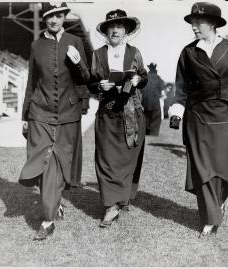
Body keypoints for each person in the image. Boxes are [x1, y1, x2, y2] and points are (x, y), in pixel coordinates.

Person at [168, 2, 228, 237]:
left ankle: (220, 200)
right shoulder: (188, 52)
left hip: (224, 118)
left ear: (212, 24)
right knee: (204, 170)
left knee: (220, 168)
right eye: (192, 22)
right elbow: (180, 86)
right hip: (197, 117)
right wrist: (176, 112)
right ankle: (211, 219)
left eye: (198, 22)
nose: (193, 27)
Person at [19, 2, 90, 240]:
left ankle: (51, 210)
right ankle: (49, 216)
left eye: (59, 16)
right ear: (45, 18)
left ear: (64, 18)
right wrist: (25, 116)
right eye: (50, 16)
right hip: (40, 112)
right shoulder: (36, 45)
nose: (54, 20)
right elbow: (31, 82)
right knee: (42, 162)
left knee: (59, 164)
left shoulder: (75, 41)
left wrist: (79, 62)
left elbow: (86, 78)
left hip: (68, 115)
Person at [88, 9, 147, 227]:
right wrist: (98, 85)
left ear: (126, 30)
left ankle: (122, 197)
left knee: (128, 157)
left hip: (132, 111)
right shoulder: (97, 54)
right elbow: (90, 82)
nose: (115, 30)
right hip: (107, 112)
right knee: (106, 158)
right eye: (111, 27)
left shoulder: (135, 52)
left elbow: (144, 77)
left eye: (120, 27)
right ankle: (110, 206)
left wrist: (138, 79)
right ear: (106, 31)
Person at [141, 63, 165, 135]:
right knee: (156, 116)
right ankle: (153, 132)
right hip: (155, 100)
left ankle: (146, 131)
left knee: (146, 115)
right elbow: (161, 89)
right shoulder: (158, 78)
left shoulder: (146, 77)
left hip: (145, 100)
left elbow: (141, 88)